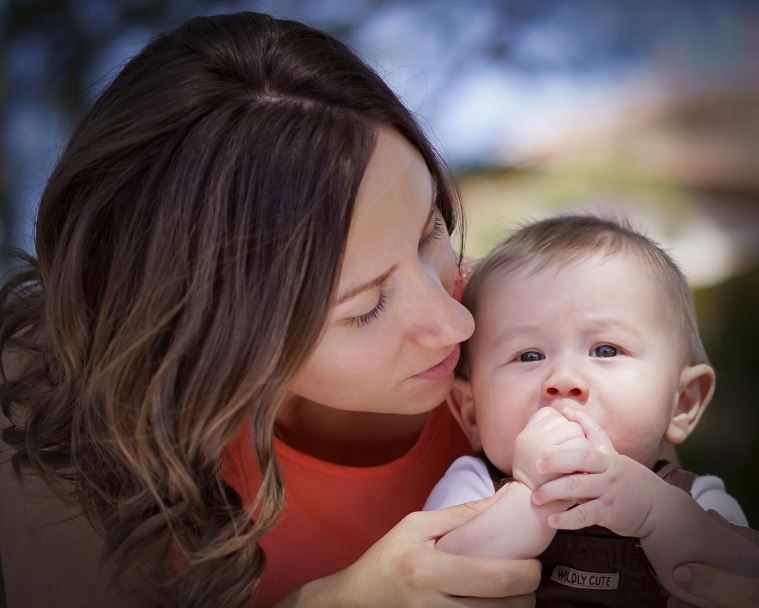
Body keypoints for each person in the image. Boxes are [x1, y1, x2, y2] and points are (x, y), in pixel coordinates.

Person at [0, 11, 545, 608]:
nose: (456, 323)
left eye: (430, 233)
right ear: (209, 333)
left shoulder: (531, 341)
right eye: (364, 309)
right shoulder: (54, 422)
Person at [424, 215, 759, 607]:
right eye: (529, 355)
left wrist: (657, 516)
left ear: (681, 403)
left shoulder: (695, 498)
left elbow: (745, 578)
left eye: (605, 350)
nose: (564, 378)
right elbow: (435, 577)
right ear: (472, 413)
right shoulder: (473, 486)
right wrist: (529, 499)